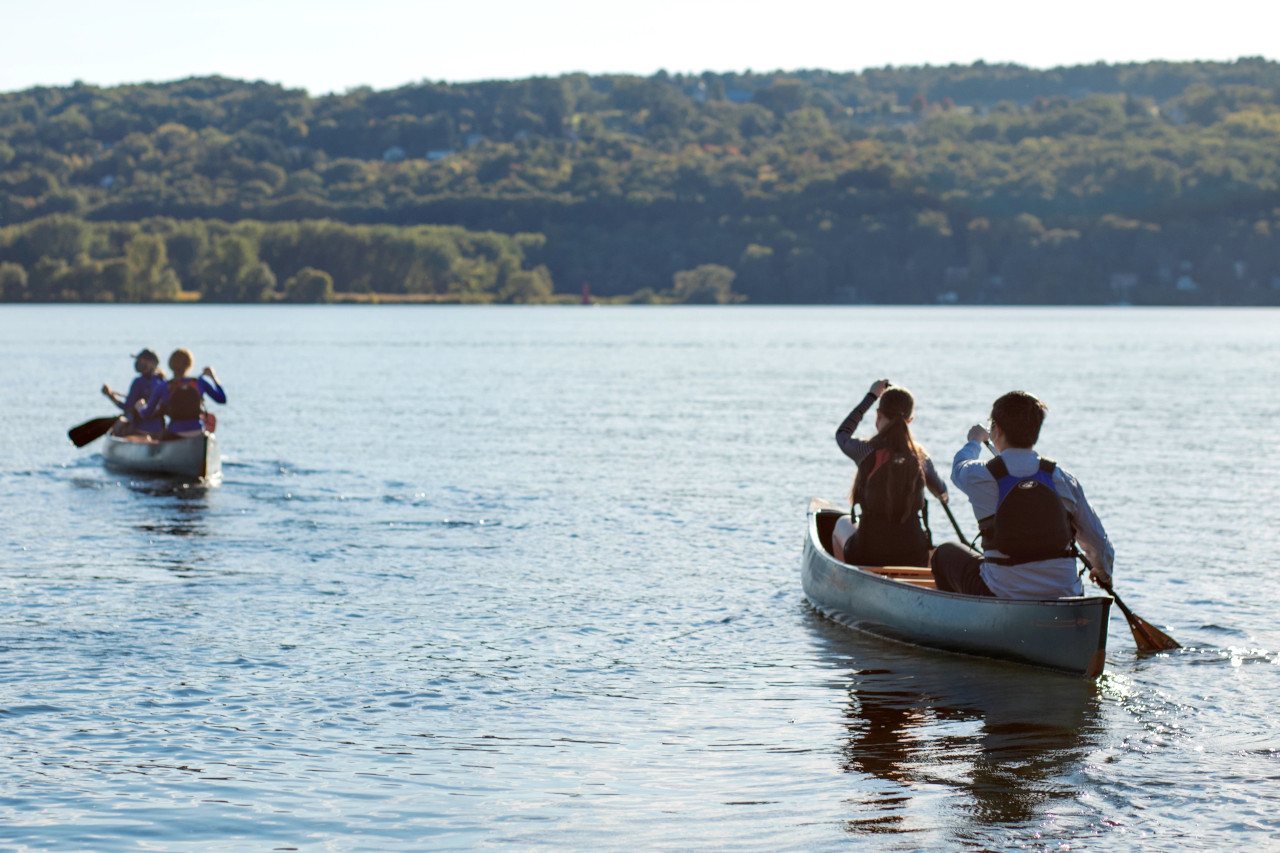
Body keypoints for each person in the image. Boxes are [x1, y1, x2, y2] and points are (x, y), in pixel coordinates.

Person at [931, 391, 1114, 599]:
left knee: (944, 553)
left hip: (1003, 594)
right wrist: (1104, 574)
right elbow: (1099, 543)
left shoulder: (980, 476)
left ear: (996, 430)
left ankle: (960, 625)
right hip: (1064, 594)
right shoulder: (1063, 479)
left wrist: (974, 440)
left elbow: (958, 468)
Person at [832, 379, 949, 566]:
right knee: (931, 550)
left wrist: (871, 397)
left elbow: (842, 434)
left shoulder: (866, 451)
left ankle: (846, 584)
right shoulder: (920, 457)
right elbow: (942, 494)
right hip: (914, 554)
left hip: (868, 552)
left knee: (840, 524)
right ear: (909, 421)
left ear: (879, 415)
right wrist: (940, 493)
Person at [139, 348, 226, 438]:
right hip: (198, 431)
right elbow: (221, 399)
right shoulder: (199, 382)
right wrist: (213, 377)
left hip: (174, 433)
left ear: (171, 365)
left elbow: (146, 414)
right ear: (189, 365)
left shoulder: (163, 386)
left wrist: (140, 407)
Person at [102, 348, 167, 438]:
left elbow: (127, 407)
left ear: (151, 364)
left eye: (141, 360)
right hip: (160, 429)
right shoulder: (163, 381)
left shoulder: (138, 382)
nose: (138, 362)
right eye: (138, 360)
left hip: (141, 430)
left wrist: (110, 396)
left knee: (118, 425)